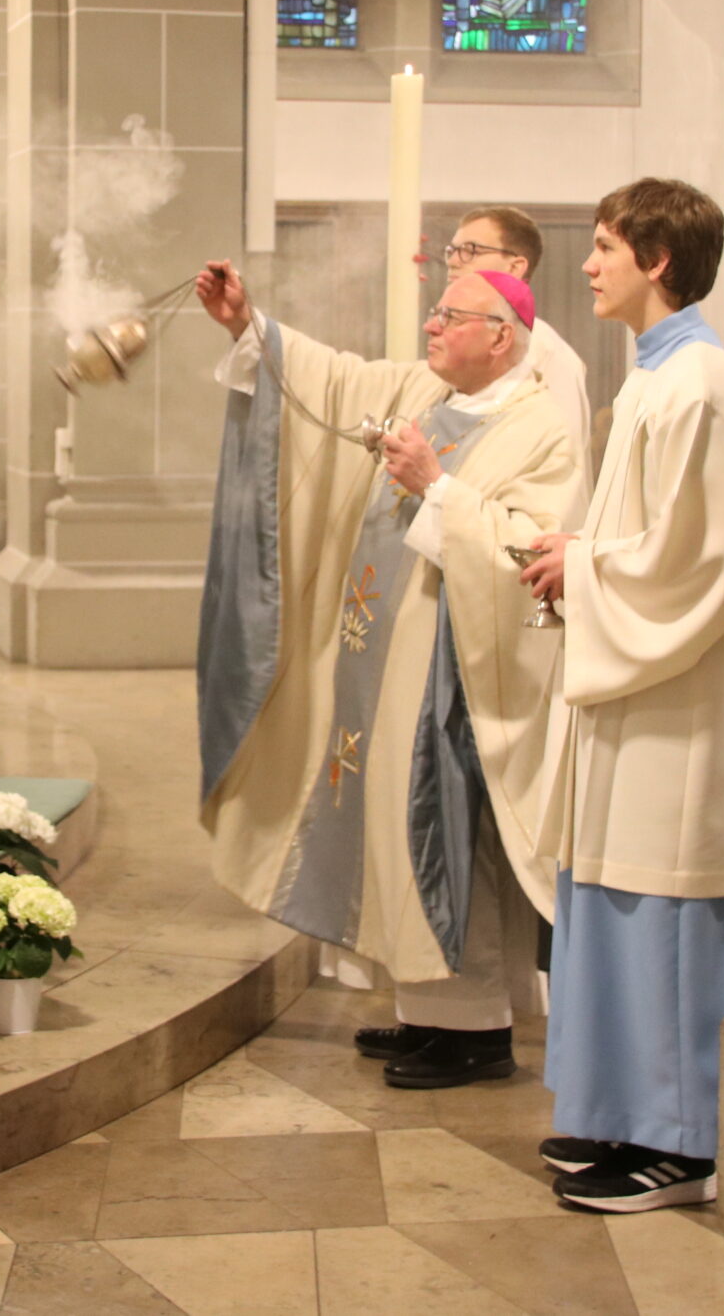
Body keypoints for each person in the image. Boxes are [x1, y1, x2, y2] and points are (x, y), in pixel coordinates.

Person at [197, 261, 578, 1088]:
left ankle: (474, 1031)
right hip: (382, 660)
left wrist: (438, 487)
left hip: (456, 674)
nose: (432, 326)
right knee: (389, 833)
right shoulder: (427, 394)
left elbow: (532, 547)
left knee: (442, 835)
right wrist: (248, 324)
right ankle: (427, 1015)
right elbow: (330, 382)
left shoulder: (541, 427)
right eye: (435, 312)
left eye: (451, 315)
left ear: (501, 335)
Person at [516, 178, 724, 1214]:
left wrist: (582, 567)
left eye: (600, 247)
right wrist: (581, 553)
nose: (585, 265)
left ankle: (684, 1142)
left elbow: (697, 563)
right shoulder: (652, 380)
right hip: (637, 687)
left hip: (679, 700)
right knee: (622, 899)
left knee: (670, 903)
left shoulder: (699, 386)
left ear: (656, 259)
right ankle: (628, 1114)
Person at [440, 206, 593, 515]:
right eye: (452, 250)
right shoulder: (468, 342)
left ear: (515, 267)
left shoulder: (542, 349)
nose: (455, 260)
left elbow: (561, 462)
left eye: (471, 250)